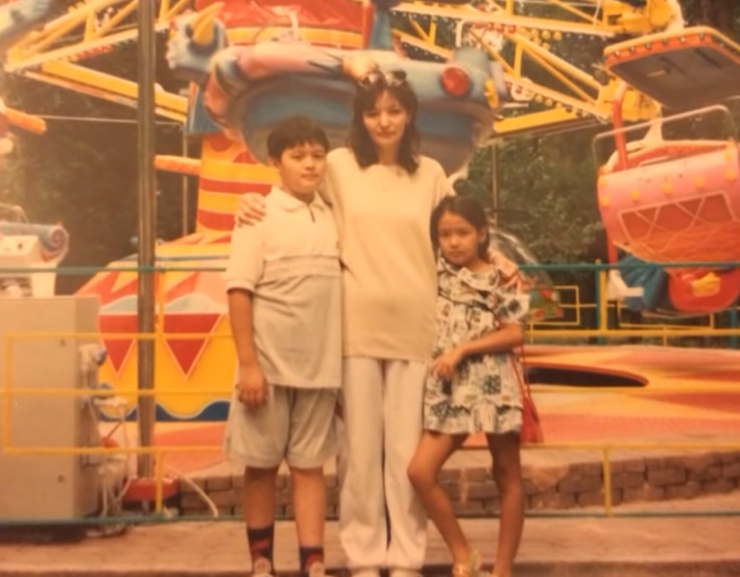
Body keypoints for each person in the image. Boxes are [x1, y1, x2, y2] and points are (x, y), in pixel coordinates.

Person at [235, 71, 522, 577]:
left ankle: (406, 557)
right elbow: (293, 191)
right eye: (373, 112)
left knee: (406, 454)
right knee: (359, 455)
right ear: (360, 118)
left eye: (393, 111)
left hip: (419, 328)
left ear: (409, 115)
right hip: (354, 330)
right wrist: (250, 201)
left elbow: (457, 232)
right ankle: (365, 556)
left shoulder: (430, 173)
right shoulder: (338, 167)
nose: (384, 121)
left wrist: (497, 257)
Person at [223, 116, 341, 577]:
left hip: (320, 369)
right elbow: (239, 290)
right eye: (298, 156)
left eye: (317, 155)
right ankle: (261, 561)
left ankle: (313, 562)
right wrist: (249, 365)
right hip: (267, 369)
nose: (309, 165)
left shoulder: (332, 214)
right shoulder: (258, 216)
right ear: (276, 162)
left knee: (310, 467)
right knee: (261, 466)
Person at [407, 196, 528, 577]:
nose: (454, 242)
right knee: (420, 471)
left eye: (463, 232)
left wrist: (462, 349)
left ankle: (502, 569)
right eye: (445, 235)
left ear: (481, 233)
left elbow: (514, 333)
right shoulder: (435, 272)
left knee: (507, 472)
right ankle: (463, 553)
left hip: (494, 383)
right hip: (450, 387)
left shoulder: (502, 278)